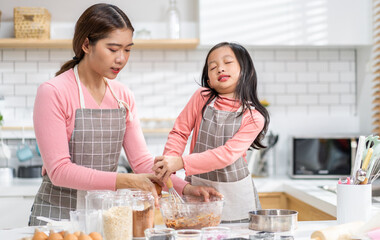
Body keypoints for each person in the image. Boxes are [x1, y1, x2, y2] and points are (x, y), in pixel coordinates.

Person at [30, 3, 219, 226]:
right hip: (56, 218)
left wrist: (185, 188)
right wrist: (127, 181)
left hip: (102, 217)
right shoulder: (53, 92)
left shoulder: (122, 96)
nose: (121, 58)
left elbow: (140, 162)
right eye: (113, 49)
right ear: (86, 44)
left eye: (127, 49)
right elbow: (59, 172)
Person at [153, 42, 270, 223]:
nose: (220, 69)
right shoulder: (202, 97)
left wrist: (181, 162)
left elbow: (226, 155)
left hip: (235, 195)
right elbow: (180, 132)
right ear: (208, 80)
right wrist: (170, 162)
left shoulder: (254, 117)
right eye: (213, 67)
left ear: (247, 71)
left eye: (228, 62)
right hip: (198, 188)